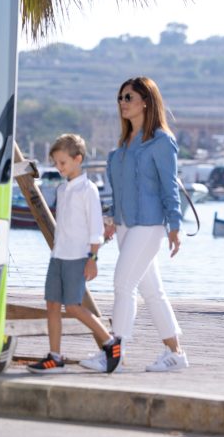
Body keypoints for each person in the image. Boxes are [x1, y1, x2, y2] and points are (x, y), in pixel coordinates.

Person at [81, 76, 189, 373]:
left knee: (122, 283)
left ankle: (113, 353)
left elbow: (169, 187)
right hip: (126, 227)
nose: (122, 103)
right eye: (120, 98)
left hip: (150, 225)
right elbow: (119, 191)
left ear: (146, 101)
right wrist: (111, 219)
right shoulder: (120, 149)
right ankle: (176, 353)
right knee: (152, 291)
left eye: (128, 97)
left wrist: (175, 226)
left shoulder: (162, 142)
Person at [27, 133, 121, 374]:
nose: (58, 168)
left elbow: (95, 229)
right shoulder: (62, 189)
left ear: (77, 159)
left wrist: (92, 259)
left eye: (63, 163)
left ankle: (110, 343)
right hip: (58, 256)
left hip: (78, 257)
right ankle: (55, 357)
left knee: (73, 306)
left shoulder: (88, 190)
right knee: (52, 305)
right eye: (56, 163)